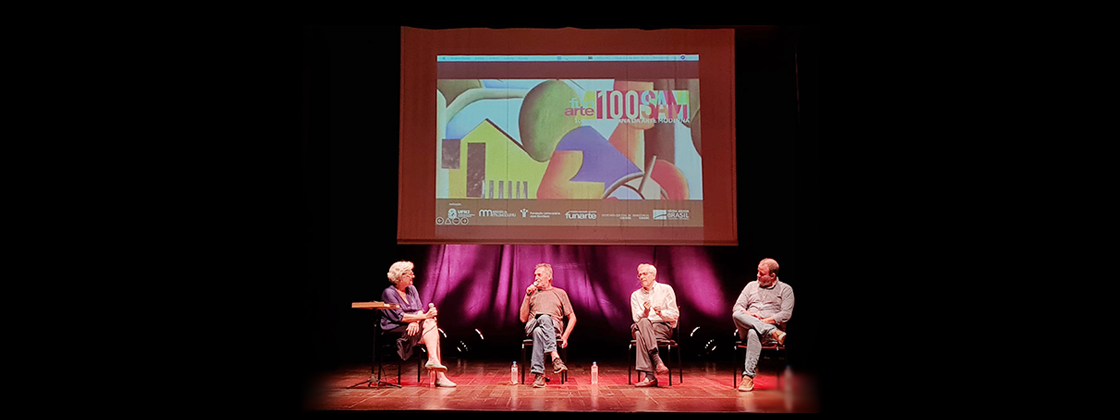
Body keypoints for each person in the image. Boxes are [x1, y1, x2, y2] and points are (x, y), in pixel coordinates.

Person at [380, 260, 456, 387]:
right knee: (431, 327)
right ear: (401, 276)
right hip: (395, 328)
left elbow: (419, 308)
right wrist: (423, 317)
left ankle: (433, 362)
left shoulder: (412, 289)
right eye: (410, 274)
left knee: (431, 326)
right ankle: (439, 375)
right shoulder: (389, 293)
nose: (413, 276)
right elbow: (400, 317)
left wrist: (415, 320)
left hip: (413, 325)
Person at [732, 258, 793, 391]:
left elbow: (786, 314)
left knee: (753, 332)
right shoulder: (751, 286)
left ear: (772, 276)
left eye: (762, 273)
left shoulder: (785, 290)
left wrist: (764, 322)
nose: (758, 275)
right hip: (755, 329)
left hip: (766, 333)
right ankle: (771, 331)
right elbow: (737, 307)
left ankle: (747, 377)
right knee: (736, 314)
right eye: (758, 272)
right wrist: (748, 314)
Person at [519, 263, 576, 388]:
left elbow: (572, 317)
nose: (536, 278)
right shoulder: (532, 294)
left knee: (539, 331)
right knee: (543, 318)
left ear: (549, 277)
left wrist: (565, 337)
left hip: (553, 327)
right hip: (533, 324)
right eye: (535, 275)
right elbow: (523, 319)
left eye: (539, 275)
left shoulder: (560, 293)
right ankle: (555, 356)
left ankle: (539, 375)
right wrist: (527, 296)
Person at [629, 263, 679, 387]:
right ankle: (657, 360)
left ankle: (650, 377)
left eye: (644, 274)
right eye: (639, 275)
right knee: (643, 322)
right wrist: (645, 312)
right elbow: (636, 318)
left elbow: (674, 315)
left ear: (653, 275)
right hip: (640, 326)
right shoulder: (635, 295)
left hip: (661, 327)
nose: (641, 277)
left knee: (640, 335)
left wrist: (661, 313)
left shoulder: (666, 289)